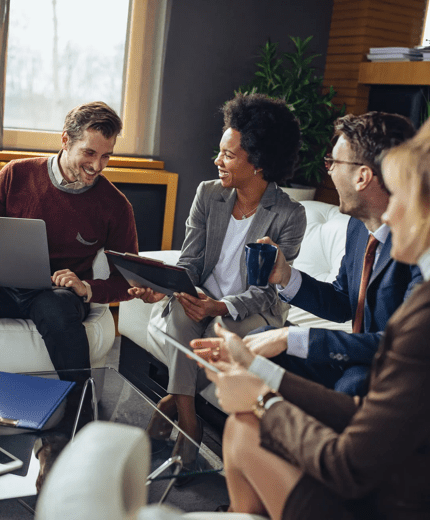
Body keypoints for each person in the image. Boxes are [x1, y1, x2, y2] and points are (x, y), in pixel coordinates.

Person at [194, 109, 430, 519]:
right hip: (419, 481)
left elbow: (350, 466)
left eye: (400, 196)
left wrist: (262, 400)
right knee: (244, 427)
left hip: (421, 502)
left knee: (246, 431)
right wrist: (259, 372)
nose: (391, 216)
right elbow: (369, 413)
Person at [129, 93, 306, 466]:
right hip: (203, 294)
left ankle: (171, 405)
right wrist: (171, 289)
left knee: (215, 333)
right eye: (220, 152)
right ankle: (190, 423)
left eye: (228, 154)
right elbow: (190, 261)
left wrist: (221, 306)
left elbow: (268, 291)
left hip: (254, 310)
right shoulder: (208, 195)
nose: (217, 160)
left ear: (257, 162)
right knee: (180, 312)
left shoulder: (290, 215)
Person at [0, 101, 138, 377]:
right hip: (0, 289)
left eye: (106, 156)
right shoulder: (15, 174)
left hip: (56, 297)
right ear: (65, 140)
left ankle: (79, 415)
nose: (96, 166)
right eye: (89, 153)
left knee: (56, 305)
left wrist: (86, 287)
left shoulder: (115, 205)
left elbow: (128, 280)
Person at [246, 112, 421, 395]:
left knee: (353, 384)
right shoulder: (358, 227)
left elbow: (398, 345)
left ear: (362, 176)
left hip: (391, 370)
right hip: (353, 357)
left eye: (333, 162)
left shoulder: (418, 244)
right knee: (260, 342)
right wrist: (286, 276)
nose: (328, 171)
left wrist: (293, 336)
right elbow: (342, 302)